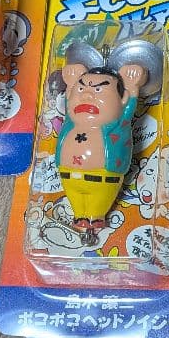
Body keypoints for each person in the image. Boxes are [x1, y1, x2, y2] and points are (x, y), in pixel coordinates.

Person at [55, 62, 147, 236]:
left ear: (122, 99)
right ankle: (80, 216)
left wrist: (132, 87)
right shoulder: (70, 121)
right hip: (68, 174)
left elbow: (128, 111)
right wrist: (71, 82)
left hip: (104, 175)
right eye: (80, 89)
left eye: (98, 90)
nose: (87, 95)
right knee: (76, 202)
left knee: (98, 203)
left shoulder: (117, 124)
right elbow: (68, 104)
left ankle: (95, 217)